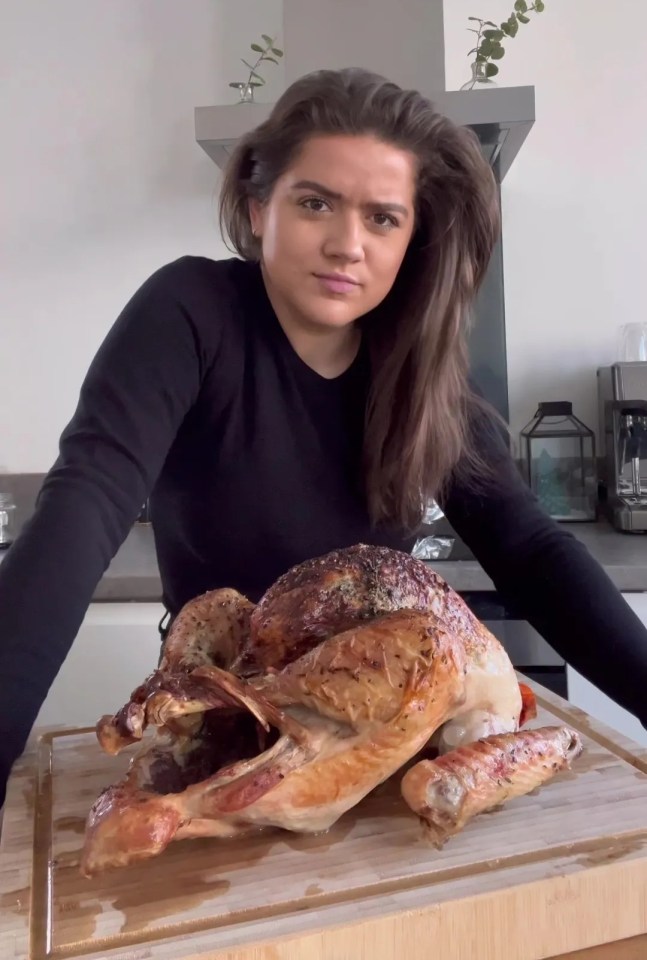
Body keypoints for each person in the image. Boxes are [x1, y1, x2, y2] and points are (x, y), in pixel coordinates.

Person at [0, 66, 645, 811]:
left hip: (387, 740)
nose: (347, 245)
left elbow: (528, 549)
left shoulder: (417, 365)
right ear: (256, 205)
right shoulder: (190, 314)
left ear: (411, 238)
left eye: (382, 218)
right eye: (315, 204)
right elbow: (85, 503)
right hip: (230, 737)